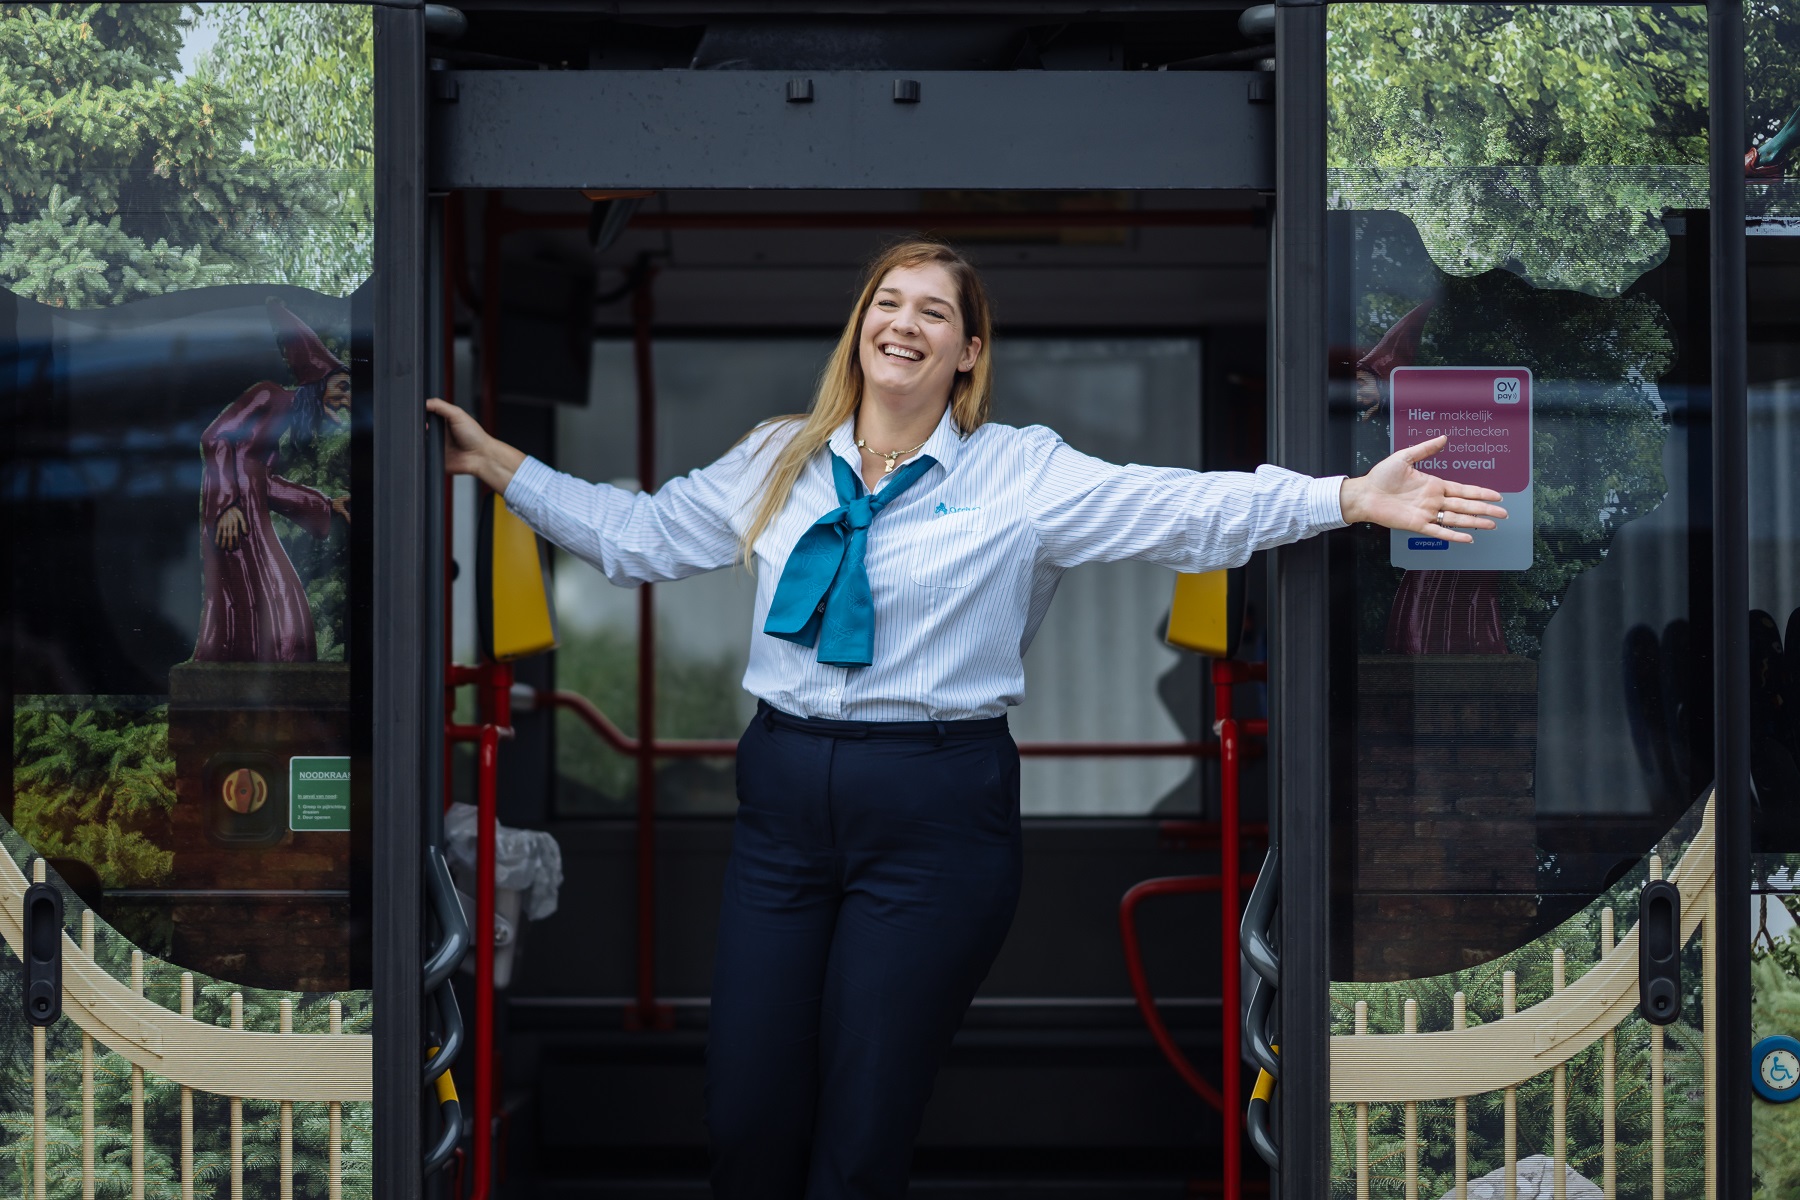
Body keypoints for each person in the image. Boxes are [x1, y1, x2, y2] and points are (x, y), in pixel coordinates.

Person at [426, 240, 1504, 1200]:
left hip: (935, 812)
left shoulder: (1020, 473)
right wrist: (503, 467)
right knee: (748, 1110)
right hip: (784, 804)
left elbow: (1181, 505)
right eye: (885, 303)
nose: (902, 323)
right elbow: (644, 534)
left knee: (863, 1124)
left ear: (969, 352)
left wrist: (1346, 498)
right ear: (859, 331)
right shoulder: (780, 457)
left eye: (932, 311)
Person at [196, 299, 352, 663]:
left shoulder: (287, 420)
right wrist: (226, 506)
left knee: (277, 596)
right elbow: (215, 439)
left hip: (249, 511)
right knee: (253, 595)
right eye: (342, 387)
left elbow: (265, 483)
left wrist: (326, 505)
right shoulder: (268, 395)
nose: (346, 400)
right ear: (320, 382)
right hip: (231, 512)